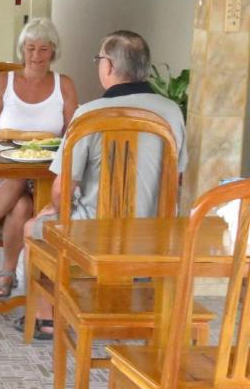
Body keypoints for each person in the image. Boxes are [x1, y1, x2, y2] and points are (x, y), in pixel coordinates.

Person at [21, 30, 187, 339]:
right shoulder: (172, 112)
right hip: (156, 233)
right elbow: (177, 177)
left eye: (99, 60)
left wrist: (51, 208)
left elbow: (62, 189)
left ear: (108, 66)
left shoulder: (89, 114)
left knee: (34, 228)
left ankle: (46, 319)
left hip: (93, 232)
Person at [0, 19, 78, 299]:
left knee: (23, 192)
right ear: (22, 49)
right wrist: (3, 153)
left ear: (53, 51)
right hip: (2, 172)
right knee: (19, 194)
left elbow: (73, 133)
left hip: (47, 175)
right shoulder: (3, 83)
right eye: (30, 48)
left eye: (43, 49)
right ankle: (7, 274)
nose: (36, 56)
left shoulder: (65, 85)